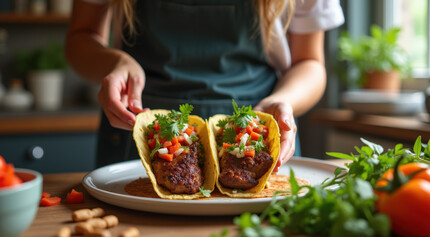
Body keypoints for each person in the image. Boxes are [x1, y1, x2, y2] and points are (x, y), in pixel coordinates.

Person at [65, 0, 344, 171]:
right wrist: (115, 63)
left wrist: (285, 100)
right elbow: (81, 37)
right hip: (139, 136)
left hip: (254, 137)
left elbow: (309, 62)